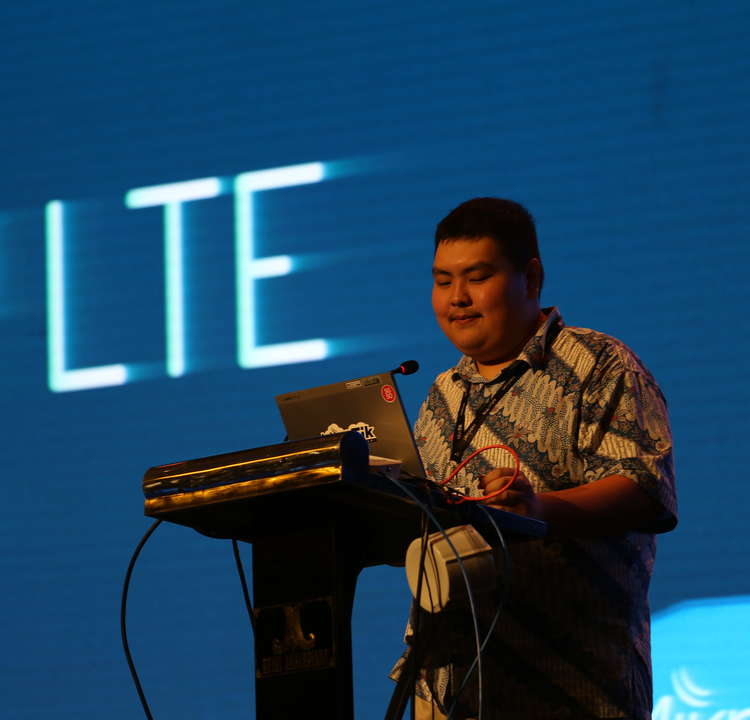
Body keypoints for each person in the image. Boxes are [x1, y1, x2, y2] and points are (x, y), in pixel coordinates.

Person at [392, 197, 677, 720]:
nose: (457, 298)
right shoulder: (441, 395)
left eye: (477, 277)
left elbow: (644, 488)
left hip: (574, 687)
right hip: (455, 690)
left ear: (531, 278)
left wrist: (539, 511)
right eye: (442, 281)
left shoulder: (599, 364)